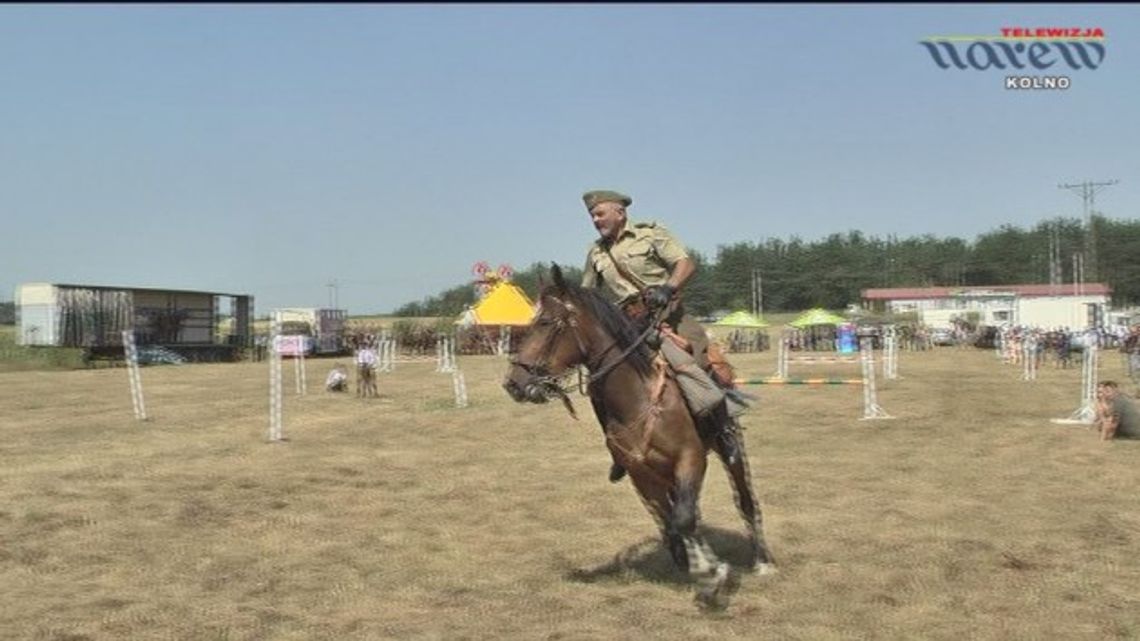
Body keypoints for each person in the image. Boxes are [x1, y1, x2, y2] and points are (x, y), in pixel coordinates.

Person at [579, 189, 742, 482]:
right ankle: (618, 448)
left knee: (697, 365)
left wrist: (668, 288)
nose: (595, 220)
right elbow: (588, 293)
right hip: (628, 324)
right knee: (598, 384)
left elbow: (685, 263)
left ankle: (724, 431)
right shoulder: (596, 252)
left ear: (620, 213)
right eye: (592, 215)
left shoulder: (650, 235)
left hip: (668, 315)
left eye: (600, 213)